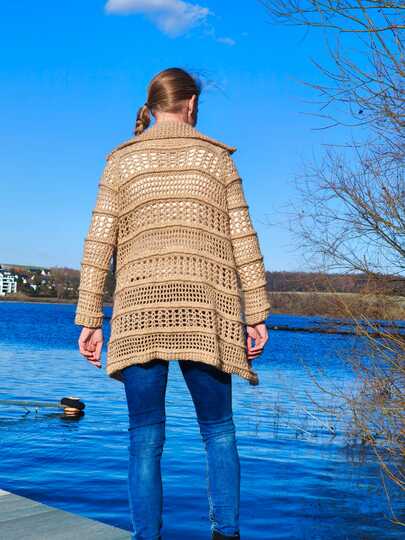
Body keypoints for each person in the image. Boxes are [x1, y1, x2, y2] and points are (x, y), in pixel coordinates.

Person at [75, 67, 271, 540]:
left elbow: (98, 245)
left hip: (138, 316)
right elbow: (243, 239)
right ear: (191, 104)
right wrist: (257, 313)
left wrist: (90, 319)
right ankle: (226, 534)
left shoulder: (121, 161)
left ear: (153, 106)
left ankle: (147, 536)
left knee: (145, 438)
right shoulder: (215, 159)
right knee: (218, 432)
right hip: (206, 313)